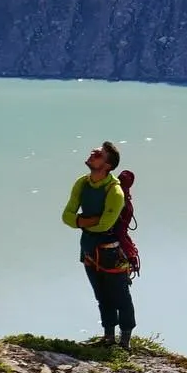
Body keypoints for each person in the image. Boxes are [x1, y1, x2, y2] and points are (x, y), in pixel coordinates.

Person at [62, 140, 136, 348]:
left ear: (108, 166)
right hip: (88, 249)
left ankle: (125, 341)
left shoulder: (115, 191)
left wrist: (81, 222)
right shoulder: (81, 183)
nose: (92, 154)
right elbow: (66, 217)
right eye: (94, 152)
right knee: (101, 296)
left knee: (120, 297)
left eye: (98, 154)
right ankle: (108, 336)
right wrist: (89, 221)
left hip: (110, 252)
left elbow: (105, 225)